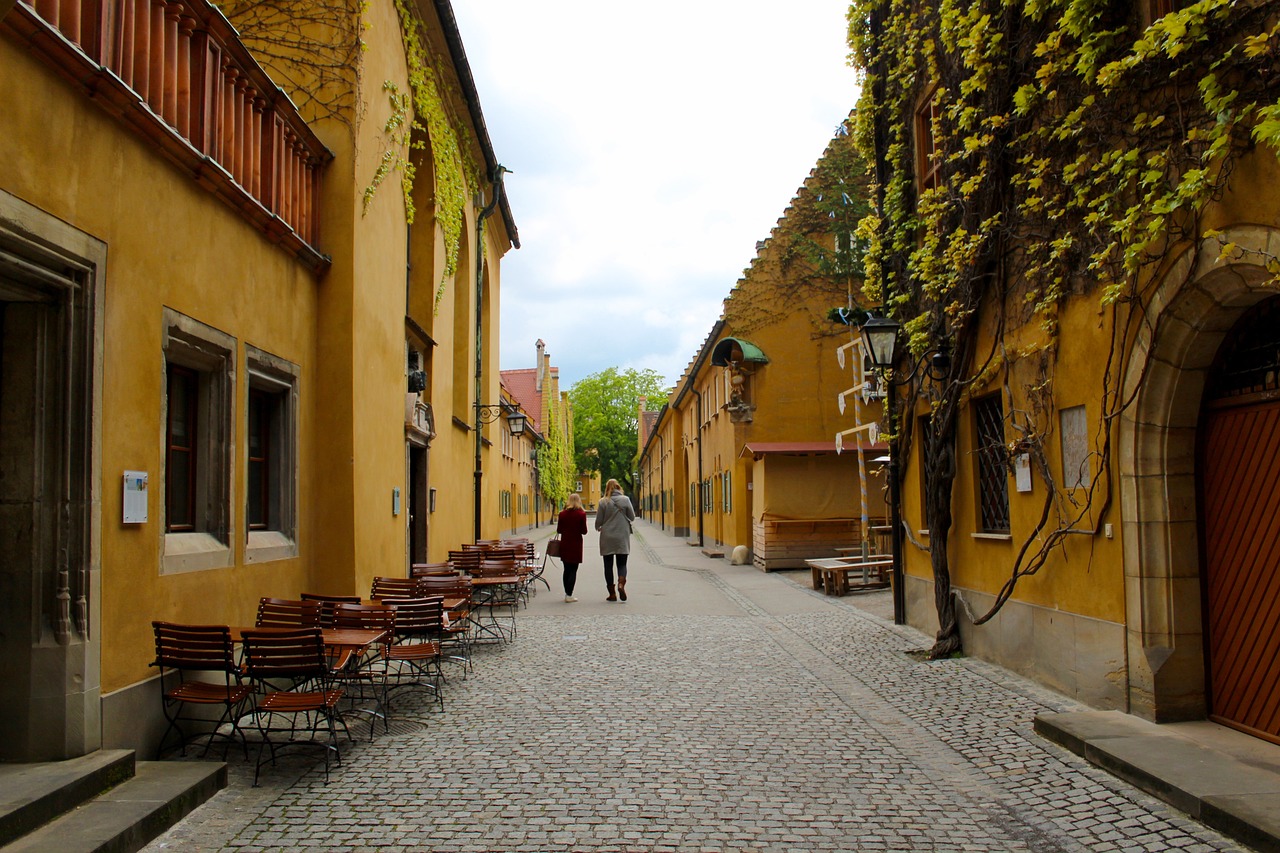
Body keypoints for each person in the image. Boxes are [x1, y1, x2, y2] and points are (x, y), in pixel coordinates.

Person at [594, 478, 636, 601]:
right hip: (622, 535)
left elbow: (599, 521)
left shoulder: (603, 502)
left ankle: (612, 594)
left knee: (608, 565)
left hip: (607, 536)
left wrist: (598, 527)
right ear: (618, 487)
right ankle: (621, 584)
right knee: (622, 563)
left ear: (607, 488)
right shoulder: (625, 499)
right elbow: (632, 517)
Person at [555, 493, 588, 602]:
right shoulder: (581, 514)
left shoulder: (562, 514)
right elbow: (584, 531)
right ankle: (569, 594)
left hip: (565, 544)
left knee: (566, 569)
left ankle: (566, 593)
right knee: (573, 569)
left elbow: (559, 530)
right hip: (576, 544)